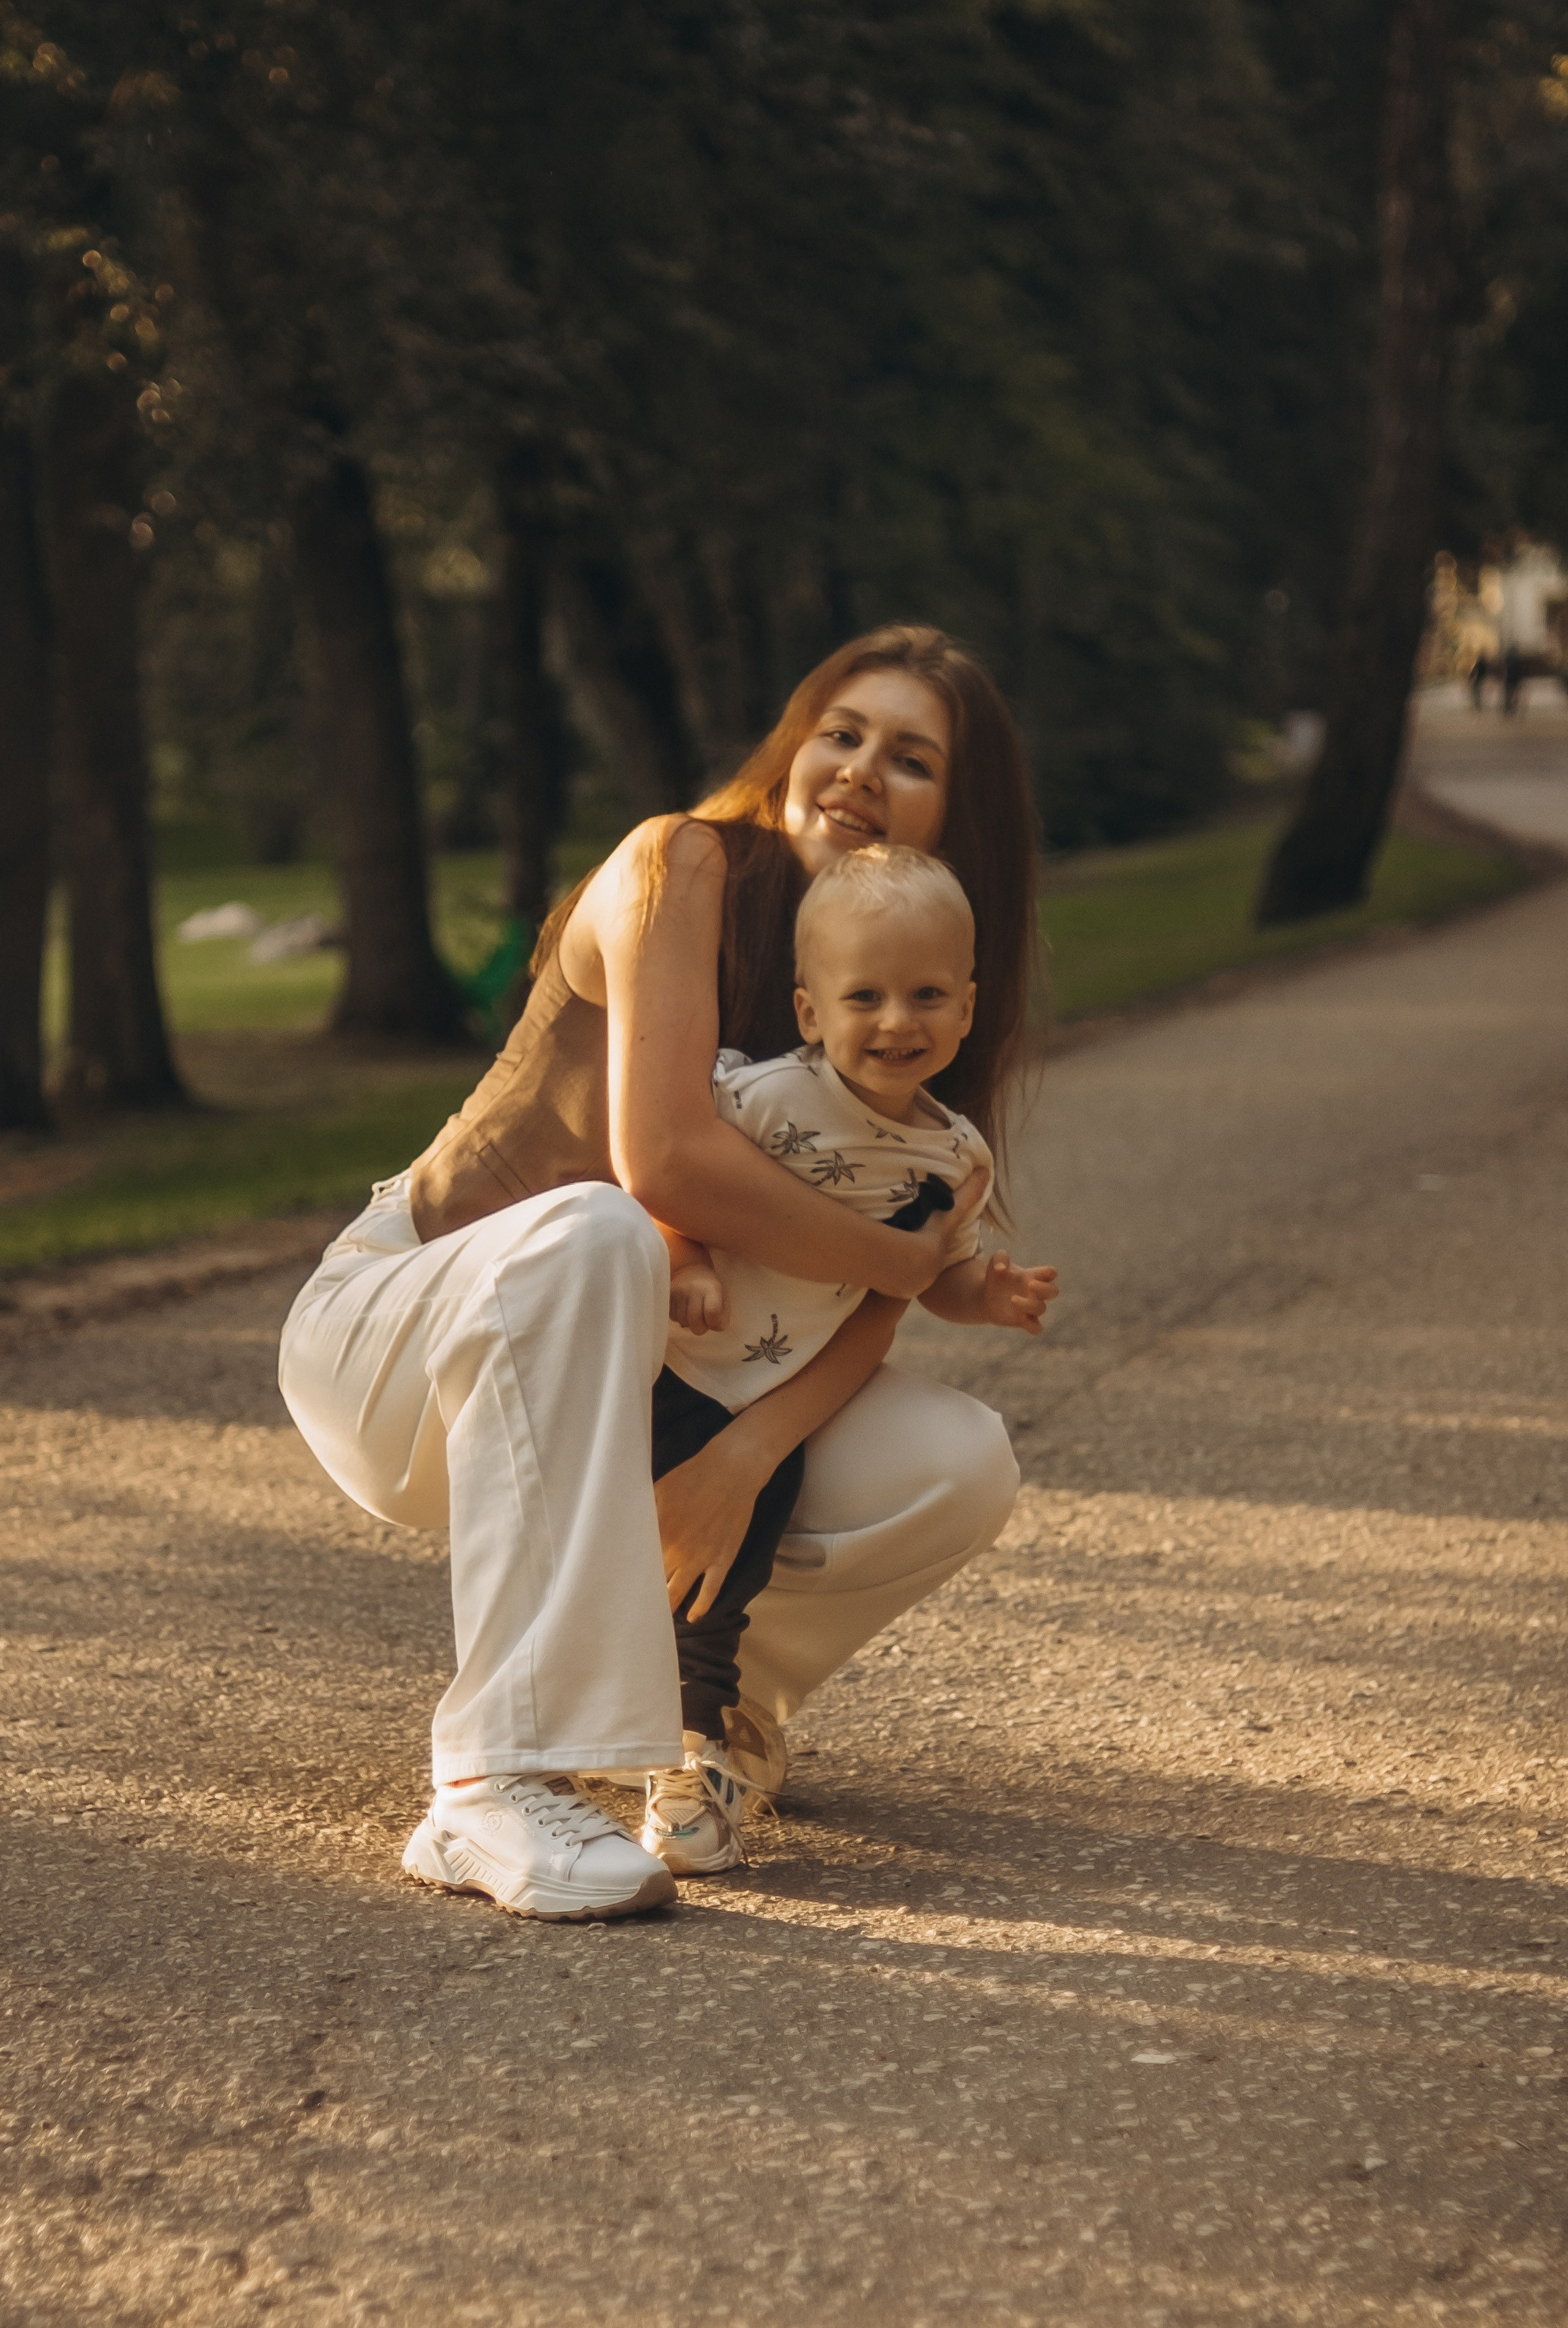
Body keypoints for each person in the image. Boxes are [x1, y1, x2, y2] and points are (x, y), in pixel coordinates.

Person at [277, 624, 1037, 1924]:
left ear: (953, 826)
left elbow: (862, 1308)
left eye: (910, 760)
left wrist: (743, 1462)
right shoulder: (676, 862)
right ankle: (492, 1779)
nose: (858, 770)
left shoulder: (895, 1002)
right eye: (840, 732)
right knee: (604, 1229)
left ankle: (718, 1718)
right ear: (792, 746)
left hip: (645, 1393)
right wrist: (907, 1255)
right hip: (404, 1337)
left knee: (960, 1461)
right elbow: (668, 1162)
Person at [640, 842, 1058, 1875]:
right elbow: (661, 1182)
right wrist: (686, 1258)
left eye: (926, 995)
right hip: (671, 1366)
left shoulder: (951, 1157)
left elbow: (924, 1276)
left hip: (778, 1400)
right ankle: (548, 1722)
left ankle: (684, 1764)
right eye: (863, 995)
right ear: (811, 1010)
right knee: (616, 1544)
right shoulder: (770, 1102)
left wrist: (985, 1297)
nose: (896, 1021)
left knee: (716, 1583)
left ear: (966, 1008)